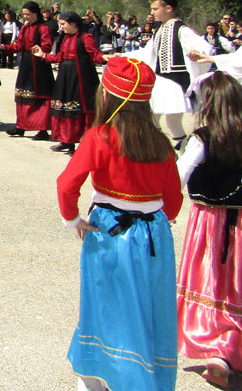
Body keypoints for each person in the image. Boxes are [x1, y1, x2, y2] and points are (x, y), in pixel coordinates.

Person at [57, 56, 182, 391]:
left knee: (103, 305)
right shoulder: (162, 144)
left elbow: (67, 183)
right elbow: (174, 202)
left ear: (107, 95)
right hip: (154, 234)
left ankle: (96, 379)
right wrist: (153, 220)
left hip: (110, 232)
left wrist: (74, 220)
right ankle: (144, 377)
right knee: (148, 306)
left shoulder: (100, 136)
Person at [174, 71, 242, 387]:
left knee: (215, 286)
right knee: (239, 289)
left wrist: (161, 206)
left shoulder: (203, 137)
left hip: (211, 224)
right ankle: (233, 352)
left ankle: (221, 352)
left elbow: (180, 173)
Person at [129, 0, 213, 148]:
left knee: (172, 121)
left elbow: (205, 49)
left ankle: (182, 155)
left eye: (155, 9)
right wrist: (122, 55)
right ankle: (167, 152)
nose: (152, 13)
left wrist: (197, 55)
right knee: (152, 119)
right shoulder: (160, 30)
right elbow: (147, 53)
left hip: (175, 82)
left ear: (168, 8)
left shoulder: (181, 29)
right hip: (161, 81)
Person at [32, 11, 106, 155]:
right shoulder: (65, 38)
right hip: (65, 76)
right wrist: (43, 55)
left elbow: (95, 55)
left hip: (80, 78)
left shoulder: (86, 37)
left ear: (73, 23)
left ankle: (83, 144)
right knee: (65, 108)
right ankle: (67, 140)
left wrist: (107, 58)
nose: (61, 27)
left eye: (63, 24)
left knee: (78, 110)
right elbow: (60, 56)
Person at [0, 1, 53, 140]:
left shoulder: (43, 28)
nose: (25, 17)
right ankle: (21, 126)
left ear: (36, 13)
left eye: (28, 14)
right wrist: (1, 47)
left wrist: (41, 50)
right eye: (24, 14)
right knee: (22, 95)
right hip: (26, 63)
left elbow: (47, 46)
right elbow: (18, 45)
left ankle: (42, 129)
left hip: (39, 65)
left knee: (39, 96)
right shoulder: (25, 28)